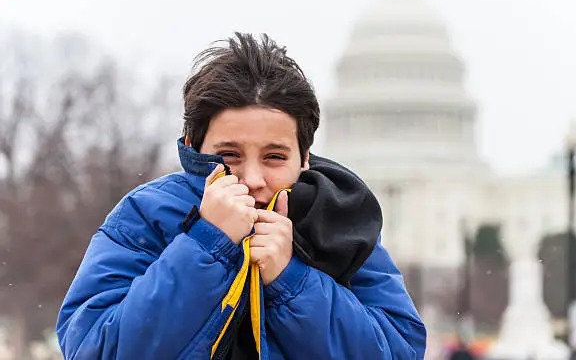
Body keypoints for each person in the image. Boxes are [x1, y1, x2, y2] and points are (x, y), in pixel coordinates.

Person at [56, 32, 426, 359]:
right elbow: (93, 347)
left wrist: (290, 280)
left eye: (274, 157)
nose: (251, 179)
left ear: (304, 158)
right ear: (193, 148)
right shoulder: (146, 215)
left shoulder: (342, 221)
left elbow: (400, 350)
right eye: (229, 155)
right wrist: (207, 245)